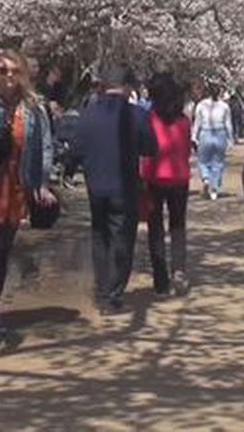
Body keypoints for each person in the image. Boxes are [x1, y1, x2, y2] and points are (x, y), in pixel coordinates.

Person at [0, 49, 54, 337]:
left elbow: (44, 147)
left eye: (14, 71)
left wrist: (42, 183)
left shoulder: (33, 109)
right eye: (3, 71)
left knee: (2, 249)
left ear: (23, 75)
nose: (8, 77)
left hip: (16, 185)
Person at [71, 65, 155, 315]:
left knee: (99, 235)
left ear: (103, 86)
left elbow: (76, 151)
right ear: (127, 88)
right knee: (122, 238)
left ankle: (101, 290)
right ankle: (113, 294)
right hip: (124, 185)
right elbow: (151, 148)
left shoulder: (87, 114)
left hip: (95, 185)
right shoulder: (137, 115)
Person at [140, 74, 192, 296]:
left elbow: (147, 155)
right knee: (178, 226)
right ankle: (179, 270)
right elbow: (187, 150)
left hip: (155, 180)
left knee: (156, 229)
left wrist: (142, 179)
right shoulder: (184, 122)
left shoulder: (150, 120)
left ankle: (160, 281)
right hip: (180, 179)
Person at [192, 82, 233, 201]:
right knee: (218, 162)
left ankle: (206, 179)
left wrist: (194, 136)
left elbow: (197, 123)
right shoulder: (225, 106)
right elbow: (228, 124)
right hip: (220, 134)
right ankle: (214, 189)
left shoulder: (201, 105)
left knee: (203, 160)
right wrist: (230, 139)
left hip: (205, 133)